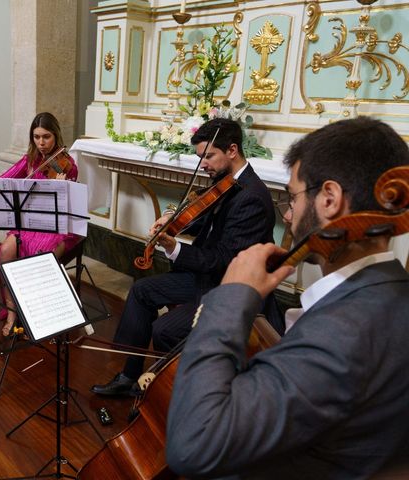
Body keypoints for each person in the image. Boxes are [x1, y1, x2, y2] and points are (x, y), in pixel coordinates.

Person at [166, 117, 409, 479]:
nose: (290, 216)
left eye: (293, 197)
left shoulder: (342, 333)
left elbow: (193, 443)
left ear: (329, 199)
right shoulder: (390, 286)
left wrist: (232, 295)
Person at [91, 118, 280, 396]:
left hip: (228, 286)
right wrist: (172, 218)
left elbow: (224, 260)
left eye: (208, 156)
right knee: (142, 290)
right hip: (206, 276)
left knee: (165, 329)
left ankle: (174, 395)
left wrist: (174, 247)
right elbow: (206, 221)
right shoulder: (226, 182)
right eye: (200, 157)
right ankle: (129, 377)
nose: (203, 164)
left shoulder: (251, 195)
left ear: (232, 150)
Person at [0, 112, 80, 336]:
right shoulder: (30, 159)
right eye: (36, 137)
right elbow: (3, 180)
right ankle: (12, 311)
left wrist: (60, 188)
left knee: (42, 253)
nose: (41, 143)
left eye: (46, 137)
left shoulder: (66, 165)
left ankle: (39, 314)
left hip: (55, 224)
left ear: (56, 136)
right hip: (29, 221)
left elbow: (66, 207)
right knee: (6, 250)